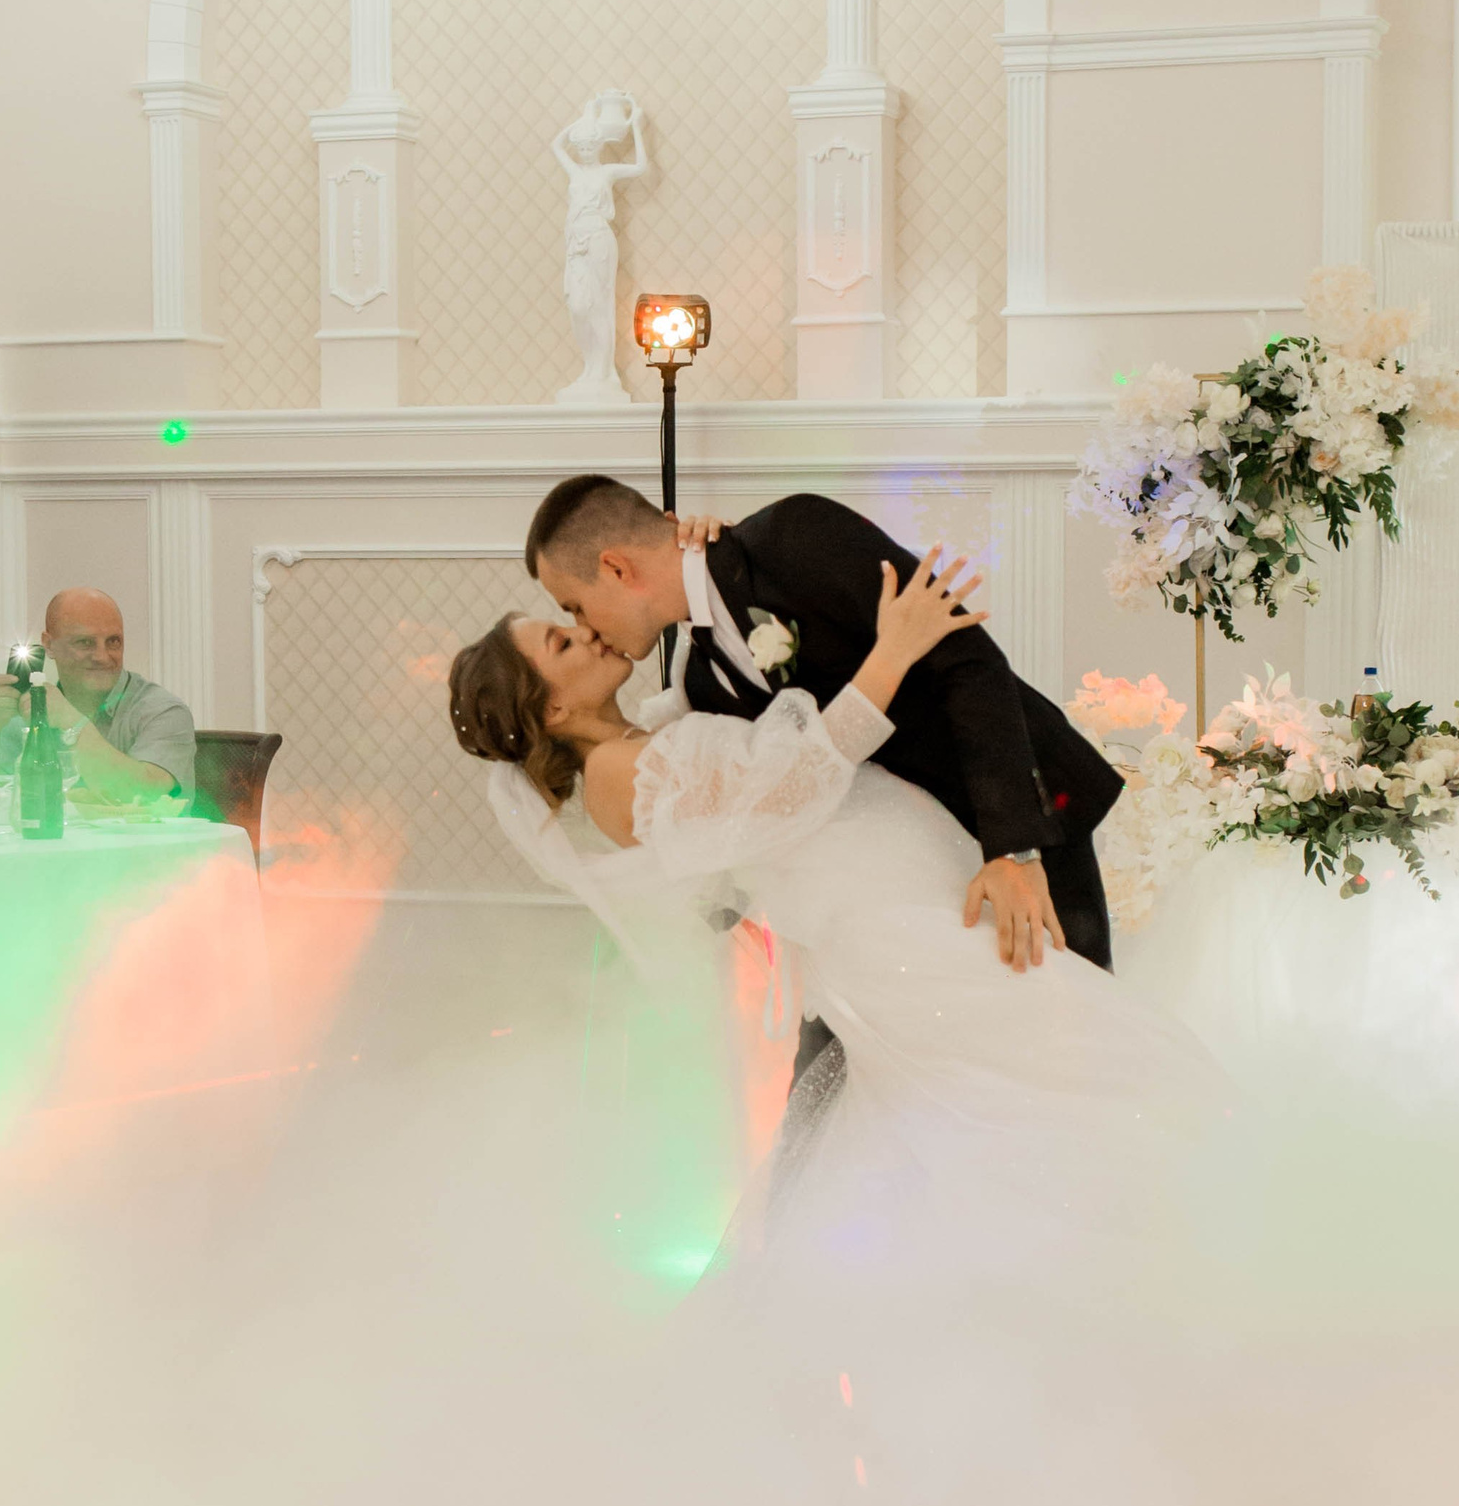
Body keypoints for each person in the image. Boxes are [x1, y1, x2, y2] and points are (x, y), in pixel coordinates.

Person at [447, 540, 1212, 1260]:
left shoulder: (642, 735)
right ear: (551, 710)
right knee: (1048, 1080)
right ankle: (1088, 1260)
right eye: (562, 642)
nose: (585, 632)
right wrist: (892, 653)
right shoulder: (617, 777)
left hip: (911, 899)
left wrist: (697, 554)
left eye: (572, 620)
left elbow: (710, 709)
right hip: (886, 933)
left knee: (1029, 1084)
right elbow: (787, 789)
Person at [521, 475, 1123, 979]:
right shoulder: (702, 681)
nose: (586, 628)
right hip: (913, 884)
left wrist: (1014, 850)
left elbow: (966, 660)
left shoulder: (793, 534)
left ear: (615, 567)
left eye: (575, 606)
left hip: (1020, 821)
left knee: (1075, 1027)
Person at [0, 589, 195, 804]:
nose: (102, 656)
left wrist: (73, 723)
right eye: (85, 642)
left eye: (113, 642)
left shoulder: (163, 711)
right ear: (49, 645)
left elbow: (148, 794)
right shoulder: (28, 711)